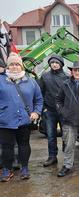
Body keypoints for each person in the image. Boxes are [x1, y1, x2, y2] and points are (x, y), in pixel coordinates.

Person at [0, 52, 43, 182]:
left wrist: (36, 112)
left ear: (22, 66)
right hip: (5, 121)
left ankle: (24, 167)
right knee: (7, 147)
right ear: (7, 67)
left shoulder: (31, 81)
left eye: (17, 64)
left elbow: (39, 99)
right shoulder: (1, 80)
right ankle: (7, 169)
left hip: (24, 120)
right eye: (11, 64)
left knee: (24, 145)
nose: (14, 67)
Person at [39, 54, 68, 167]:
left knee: (66, 135)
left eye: (57, 63)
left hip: (63, 111)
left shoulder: (67, 77)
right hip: (50, 110)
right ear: (50, 64)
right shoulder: (45, 77)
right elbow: (40, 94)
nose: (54, 65)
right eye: (52, 63)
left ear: (61, 64)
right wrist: (43, 109)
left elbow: (70, 95)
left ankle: (67, 156)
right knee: (51, 135)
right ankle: (52, 156)